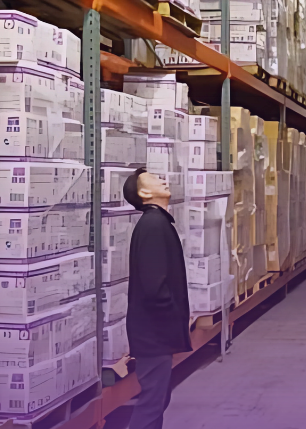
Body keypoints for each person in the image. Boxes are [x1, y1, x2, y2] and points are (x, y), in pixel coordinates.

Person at [121, 168, 192, 429]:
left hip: (155, 334)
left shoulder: (158, 222)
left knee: (157, 401)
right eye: (153, 179)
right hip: (153, 334)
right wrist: (173, 319)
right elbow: (154, 287)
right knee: (151, 404)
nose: (162, 179)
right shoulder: (153, 225)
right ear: (144, 193)